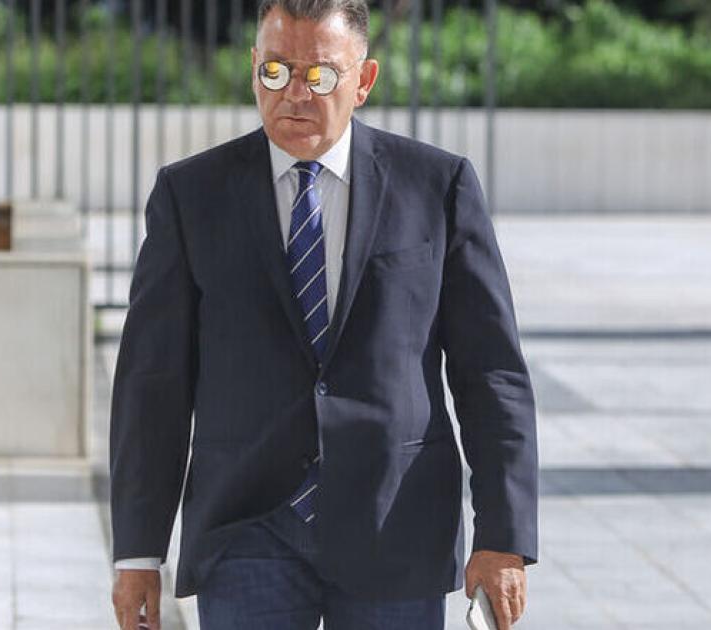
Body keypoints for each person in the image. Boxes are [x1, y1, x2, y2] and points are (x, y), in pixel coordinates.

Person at [108, 1, 538, 628]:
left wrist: (502, 535)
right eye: (276, 71)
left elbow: (491, 371)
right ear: (254, 68)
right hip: (245, 529)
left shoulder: (436, 187)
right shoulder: (191, 195)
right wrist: (138, 552)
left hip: (395, 527)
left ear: (363, 81)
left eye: (321, 74)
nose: (295, 94)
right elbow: (153, 383)